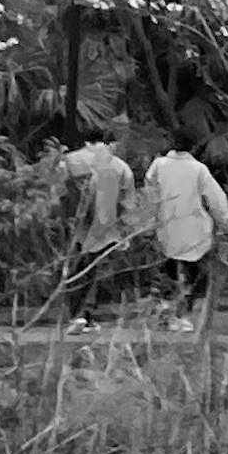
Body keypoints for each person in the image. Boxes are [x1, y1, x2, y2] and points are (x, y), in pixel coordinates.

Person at [137, 137, 228, 333]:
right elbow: (216, 199)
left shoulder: (158, 165)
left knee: (167, 271)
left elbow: (149, 195)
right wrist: (225, 224)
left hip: (166, 228)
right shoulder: (198, 169)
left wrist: (145, 224)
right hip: (194, 230)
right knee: (193, 274)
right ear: (193, 146)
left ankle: (166, 313)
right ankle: (184, 315)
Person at [54, 124, 136, 330]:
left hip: (75, 226)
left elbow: (57, 192)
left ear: (85, 141)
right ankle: (86, 314)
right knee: (94, 271)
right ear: (106, 142)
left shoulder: (69, 161)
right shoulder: (120, 166)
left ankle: (75, 314)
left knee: (75, 269)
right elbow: (128, 202)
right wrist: (126, 231)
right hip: (106, 229)